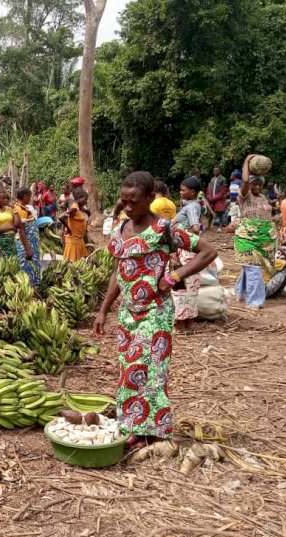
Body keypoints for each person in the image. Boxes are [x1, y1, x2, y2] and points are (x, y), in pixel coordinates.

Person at [93, 171, 217, 449]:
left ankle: (149, 431)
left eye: (133, 201)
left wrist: (173, 277)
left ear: (150, 198)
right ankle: (133, 426)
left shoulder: (165, 228)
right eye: (123, 201)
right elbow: (118, 272)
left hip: (155, 311)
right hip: (128, 313)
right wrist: (104, 310)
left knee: (149, 370)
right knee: (129, 370)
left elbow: (208, 251)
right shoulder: (120, 230)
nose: (127, 206)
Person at [234, 156, 276, 310]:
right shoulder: (245, 197)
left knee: (250, 267)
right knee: (254, 268)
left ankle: (240, 293)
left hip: (263, 239)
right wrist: (246, 161)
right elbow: (244, 181)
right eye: (254, 184)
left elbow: (267, 216)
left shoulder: (264, 198)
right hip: (247, 238)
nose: (257, 187)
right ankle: (254, 302)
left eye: (259, 184)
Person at [172, 176, 204, 332]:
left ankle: (180, 323)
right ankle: (189, 321)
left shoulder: (191, 207)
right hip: (190, 251)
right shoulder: (193, 205)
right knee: (191, 287)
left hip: (186, 251)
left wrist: (180, 235)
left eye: (183, 190)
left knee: (180, 286)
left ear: (192, 192)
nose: (180, 192)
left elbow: (195, 228)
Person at [14, 187, 39, 284]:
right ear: (25, 196)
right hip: (26, 243)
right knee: (27, 266)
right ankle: (29, 285)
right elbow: (21, 231)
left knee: (32, 265)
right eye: (29, 196)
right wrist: (28, 249)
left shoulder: (24, 207)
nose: (30, 198)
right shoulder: (20, 210)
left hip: (30, 242)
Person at [61, 188, 89, 262]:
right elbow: (61, 217)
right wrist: (68, 228)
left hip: (78, 240)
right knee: (72, 263)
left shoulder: (77, 207)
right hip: (74, 241)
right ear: (79, 198)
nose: (86, 202)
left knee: (79, 263)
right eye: (85, 199)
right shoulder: (74, 208)